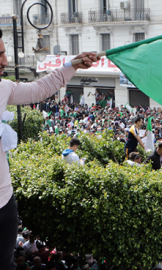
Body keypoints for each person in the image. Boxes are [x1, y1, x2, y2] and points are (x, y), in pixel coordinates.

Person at [0, 27, 98, 270]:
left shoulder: (2, 88)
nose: (5, 60)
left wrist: (73, 65)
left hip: (4, 202)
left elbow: (39, 89)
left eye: (4, 52)